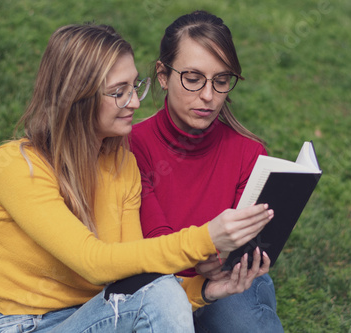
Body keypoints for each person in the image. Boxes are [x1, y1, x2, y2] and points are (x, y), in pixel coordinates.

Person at [0, 23, 275, 333]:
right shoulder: (17, 165)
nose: (134, 102)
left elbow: (141, 279)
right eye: (119, 92)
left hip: (100, 315)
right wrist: (207, 238)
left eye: (134, 87)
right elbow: (92, 261)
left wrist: (204, 291)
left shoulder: (121, 164)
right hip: (28, 325)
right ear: (78, 96)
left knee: (158, 288)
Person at [130, 10, 284, 333]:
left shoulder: (250, 154)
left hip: (228, 283)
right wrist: (200, 256)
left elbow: (246, 248)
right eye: (193, 78)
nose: (209, 96)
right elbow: (155, 240)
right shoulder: (133, 146)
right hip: (157, 286)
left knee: (244, 321)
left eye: (221, 80)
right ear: (162, 74)